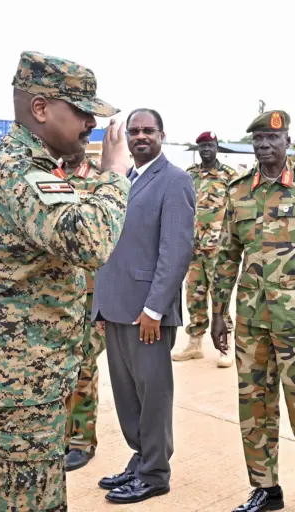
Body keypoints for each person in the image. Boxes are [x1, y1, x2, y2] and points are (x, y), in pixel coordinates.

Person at [0, 51, 130, 511]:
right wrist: (114, 177)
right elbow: (89, 241)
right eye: (81, 111)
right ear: (41, 108)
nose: (91, 124)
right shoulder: (22, 170)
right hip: (14, 387)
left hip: (15, 379)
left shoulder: (23, 163)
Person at [211, 110, 295, 512]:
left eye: (272, 138)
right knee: (254, 403)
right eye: (258, 139)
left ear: (287, 141)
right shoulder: (239, 191)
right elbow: (227, 255)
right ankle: (265, 488)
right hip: (251, 319)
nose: (264, 146)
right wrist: (218, 311)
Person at [93, 108, 196, 505]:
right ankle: (141, 458)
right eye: (134, 131)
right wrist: (100, 306)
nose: (140, 137)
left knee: (153, 395)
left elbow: (176, 251)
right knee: (127, 394)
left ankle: (155, 473)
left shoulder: (174, 180)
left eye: (147, 131)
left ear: (161, 135)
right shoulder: (123, 180)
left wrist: (155, 310)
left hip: (146, 313)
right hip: (116, 308)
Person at [60, 148, 107, 471]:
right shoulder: (46, 175)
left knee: (83, 365)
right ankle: (59, 436)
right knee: (56, 366)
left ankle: (81, 440)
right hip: (53, 290)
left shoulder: (101, 180)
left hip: (90, 291)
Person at [172, 131, 236, 368]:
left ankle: (225, 346)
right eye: (202, 146)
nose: (206, 150)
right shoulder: (189, 175)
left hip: (218, 248)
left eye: (210, 145)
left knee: (220, 296)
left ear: (217, 147)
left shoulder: (229, 175)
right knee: (194, 296)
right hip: (194, 247)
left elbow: (237, 209)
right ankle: (195, 344)